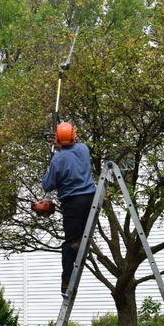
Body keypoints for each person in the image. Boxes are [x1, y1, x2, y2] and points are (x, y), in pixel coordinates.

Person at [41, 122, 96, 296]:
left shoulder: (58, 159)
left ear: (57, 139)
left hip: (72, 203)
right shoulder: (84, 149)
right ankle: (79, 243)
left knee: (69, 245)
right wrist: (58, 147)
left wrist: (53, 157)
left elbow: (47, 185)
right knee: (80, 239)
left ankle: (66, 285)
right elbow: (73, 149)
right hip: (91, 199)